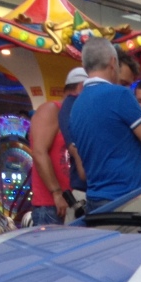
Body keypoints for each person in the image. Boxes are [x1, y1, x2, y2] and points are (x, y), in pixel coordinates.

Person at [67, 37, 141, 211]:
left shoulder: (76, 106)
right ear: (113, 62)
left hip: (95, 202)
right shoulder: (120, 95)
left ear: (85, 67)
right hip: (128, 201)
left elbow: (83, 170)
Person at [30, 67, 83, 224]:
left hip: (72, 203)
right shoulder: (51, 109)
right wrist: (56, 192)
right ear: (81, 87)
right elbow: (39, 152)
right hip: (51, 206)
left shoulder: (74, 115)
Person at [57, 66, 87, 201]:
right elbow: (74, 145)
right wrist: (84, 173)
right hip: (84, 187)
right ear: (81, 86)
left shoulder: (67, 106)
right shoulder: (73, 104)